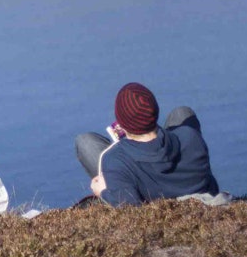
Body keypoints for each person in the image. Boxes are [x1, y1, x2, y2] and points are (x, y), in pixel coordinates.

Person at [74, 82, 222, 206]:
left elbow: (130, 208)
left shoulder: (115, 159)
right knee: (183, 112)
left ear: (121, 123)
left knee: (85, 142)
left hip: (152, 203)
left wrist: (103, 192)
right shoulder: (191, 136)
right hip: (197, 192)